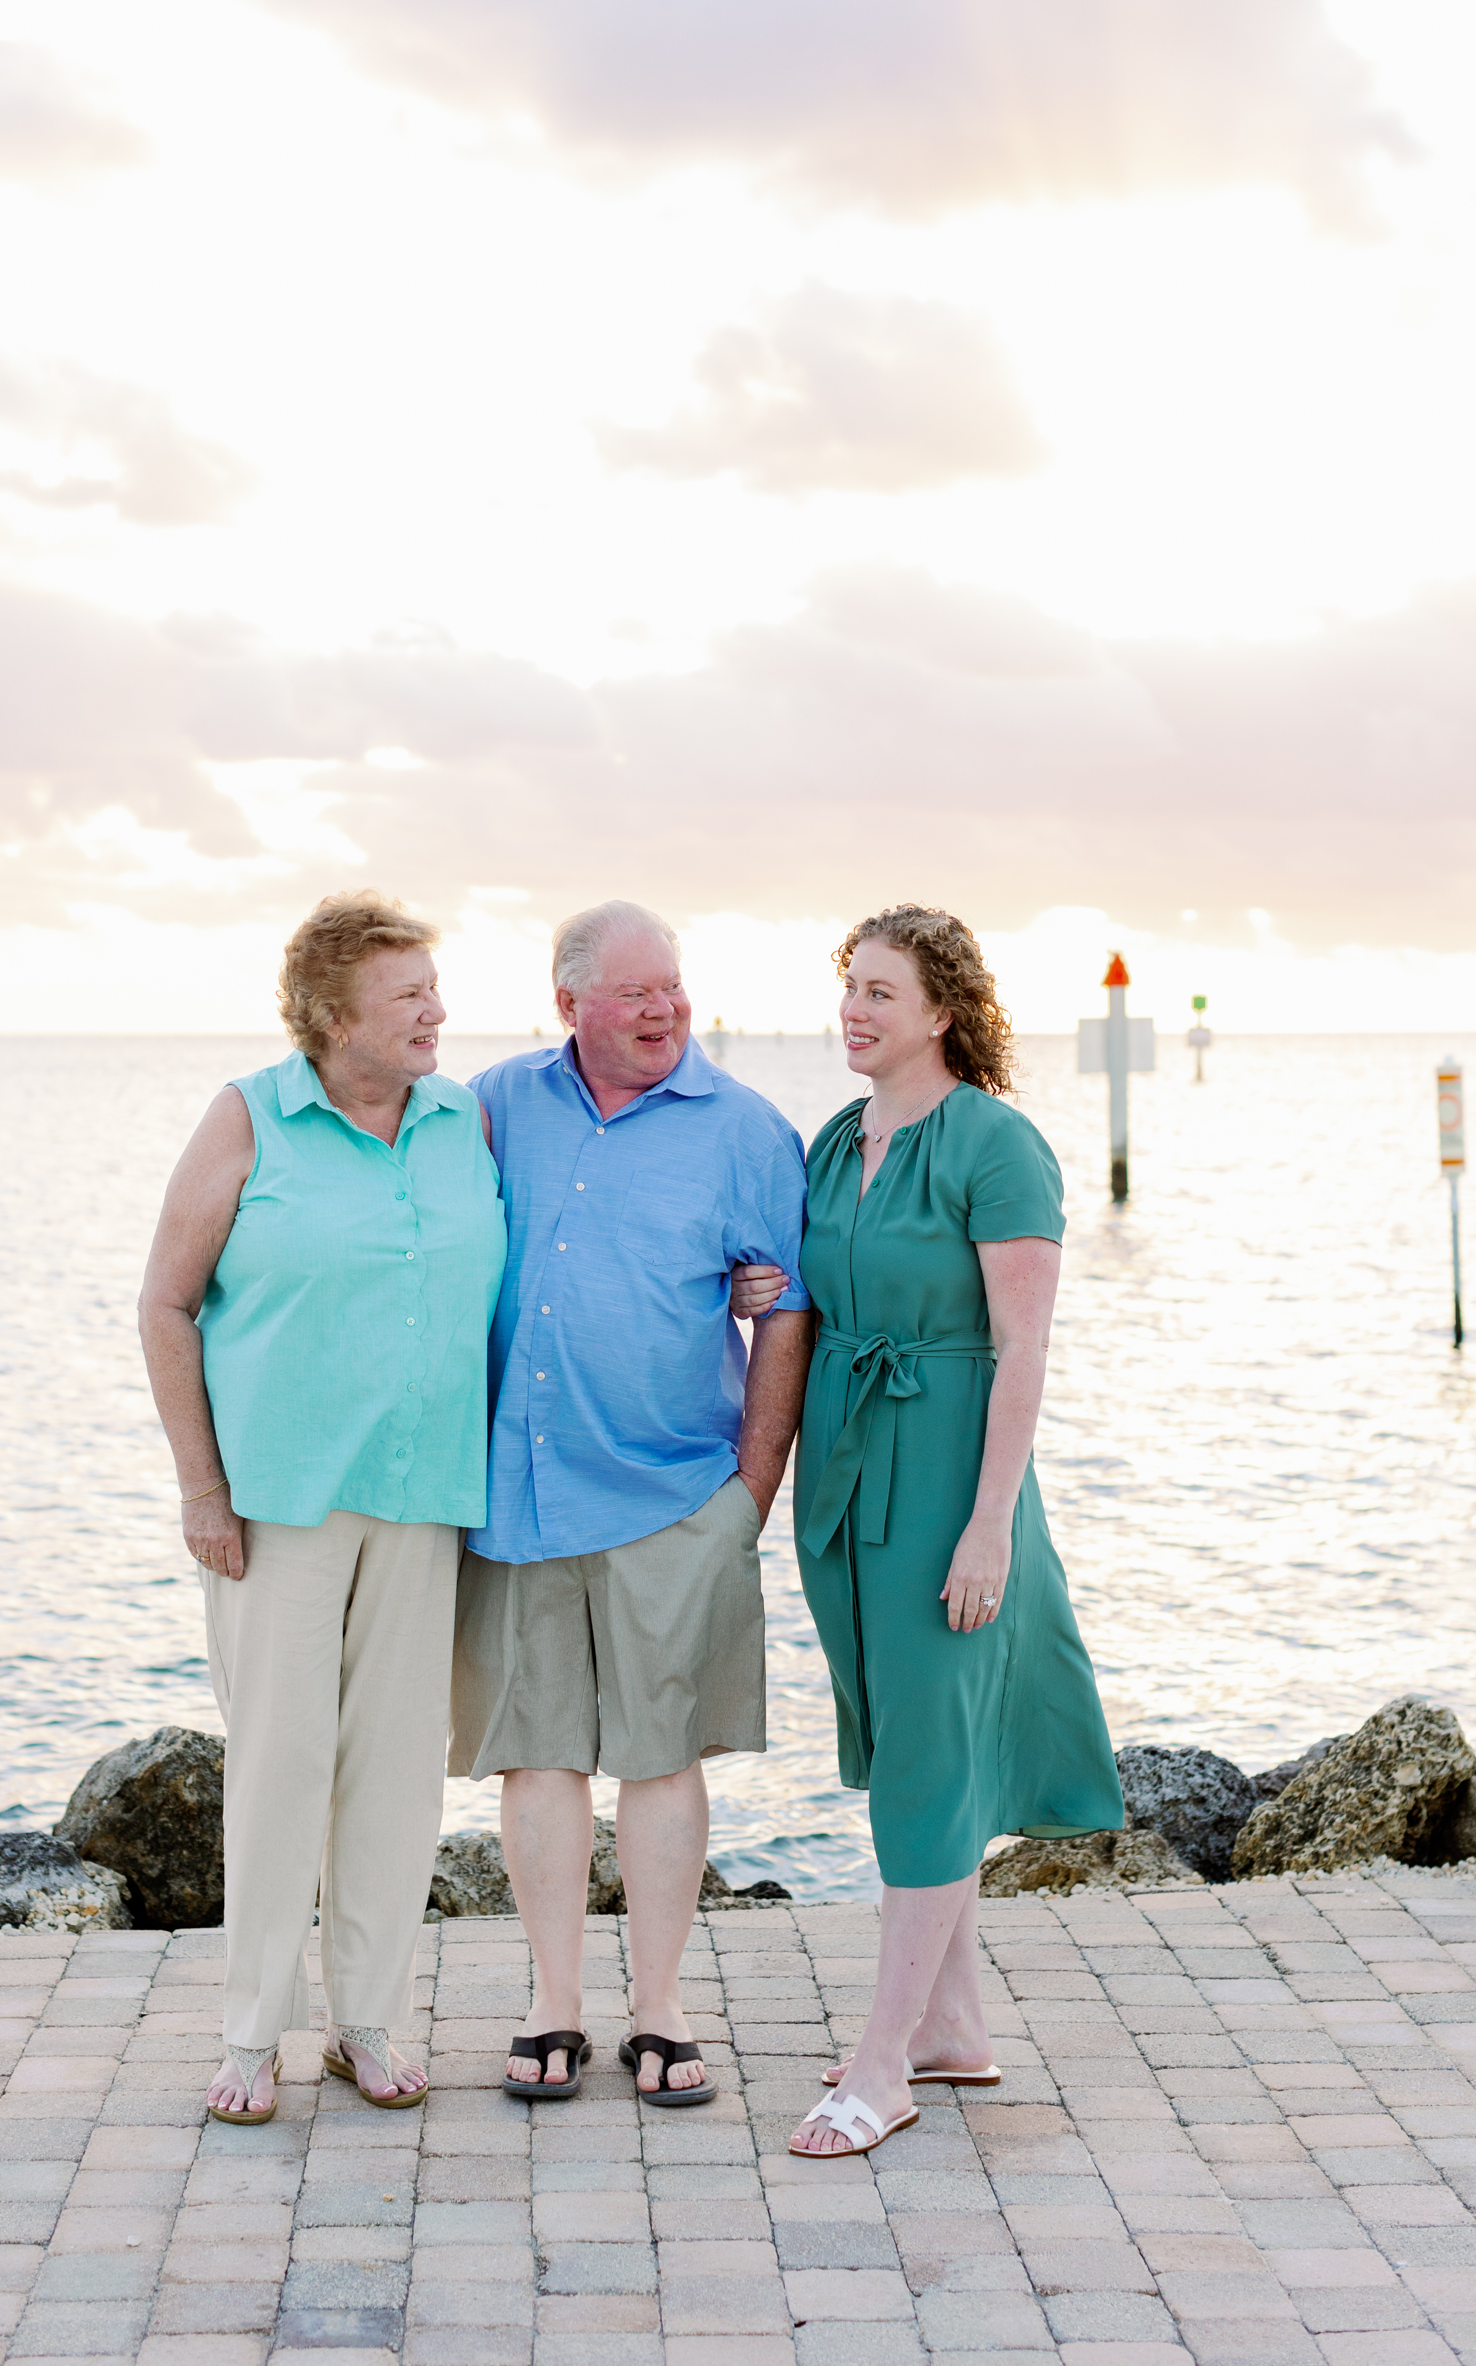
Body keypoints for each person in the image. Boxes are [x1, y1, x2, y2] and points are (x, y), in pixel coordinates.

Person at [747, 904, 1121, 2159]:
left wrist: (988, 1529)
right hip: (846, 1474)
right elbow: (811, 1287)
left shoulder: (997, 1145)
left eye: (880, 993)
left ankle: (881, 2064)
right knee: (903, 1739)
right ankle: (952, 2027)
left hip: (950, 1475)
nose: (853, 1011)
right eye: (847, 987)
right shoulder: (838, 1137)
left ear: (943, 1011)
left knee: (929, 1758)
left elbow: (1023, 1349)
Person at [138, 892, 506, 2124]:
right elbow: (166, 1304)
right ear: (330, 1015)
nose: (434, 1015)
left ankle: (366, 2021)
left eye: (434, 992)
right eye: (408, 997)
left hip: (423, 1494)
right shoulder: (251, 1116)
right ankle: (251, 2033)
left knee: (397, 1772)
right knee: (281, 1766)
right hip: (278, 1502)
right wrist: (201, 1486)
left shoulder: (465, 1121)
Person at [449, 901, 816, 2106]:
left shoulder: (747, 1131)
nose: (663, 1008)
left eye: (672, 986)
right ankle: (553, 2002)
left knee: (662, 1759)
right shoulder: (495, 1104)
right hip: (521, 1489)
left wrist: (749, 1490)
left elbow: (787, 1309)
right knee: (538, 1757)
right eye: (633, 993)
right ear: (568, 1007)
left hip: (674, 1491)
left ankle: (659, 2008)